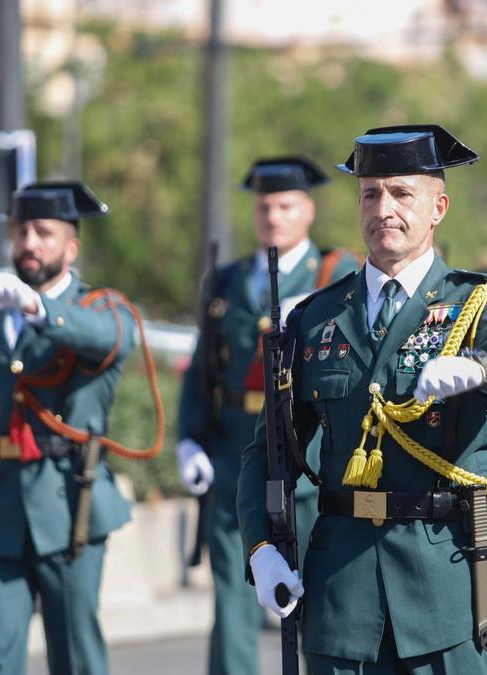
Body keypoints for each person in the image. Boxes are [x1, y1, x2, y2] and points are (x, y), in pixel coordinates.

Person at [237, 124, 487, 673]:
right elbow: (268, 452)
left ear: (438, 208)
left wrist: (480, 370)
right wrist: (262, 549)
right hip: (344, 588)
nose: (383, 208)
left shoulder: (478, 303)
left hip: (451, 581)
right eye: (370, 194)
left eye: (402, 194)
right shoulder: (316, 318)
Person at [0, 181, 137, 674]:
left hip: (69, 508)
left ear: (72, 246)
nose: (30, 243)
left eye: (44, 232)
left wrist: (36, 308)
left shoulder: (101, 308)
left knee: (77, 661)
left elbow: (106, 340)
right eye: (21, 232)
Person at [176, 156, 359, 675]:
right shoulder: (227, 279)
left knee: (316, 599)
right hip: (237, 449)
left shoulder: (335, 273)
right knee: (233, 594)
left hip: (310, 454)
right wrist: (189, 439)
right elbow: (204, 368)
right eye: (264, 206)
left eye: (285, 206)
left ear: (308, 210)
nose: (273, 217)